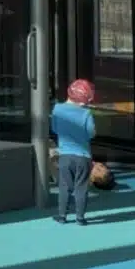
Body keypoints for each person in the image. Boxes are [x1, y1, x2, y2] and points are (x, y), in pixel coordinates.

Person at [50, 77, 96, 226]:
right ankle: (80, 218)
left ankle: (62, 215)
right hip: (83, 156)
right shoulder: (86, 114)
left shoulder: (57, 109)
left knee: (64, 186)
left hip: (65, 155)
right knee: (81, 187)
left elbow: (55, 129)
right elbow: (91, 133)